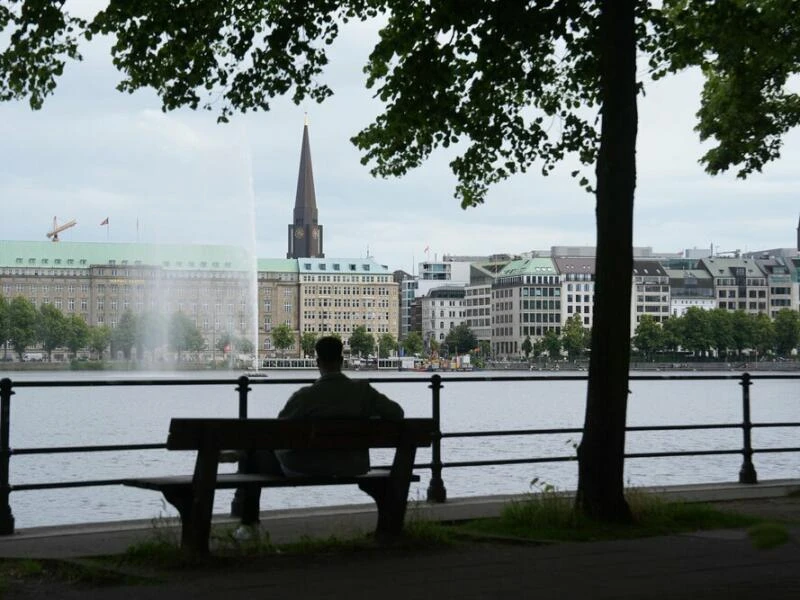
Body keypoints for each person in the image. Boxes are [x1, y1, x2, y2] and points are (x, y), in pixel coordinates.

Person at [247, 336, 404, 477]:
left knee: (255, 454)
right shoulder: (363, 391)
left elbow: (279, 430)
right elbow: (397, 412)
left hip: (307, 467)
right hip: (353, 465)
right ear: (342, 361)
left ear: (318, 362)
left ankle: (243, 504)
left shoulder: (304, 396)